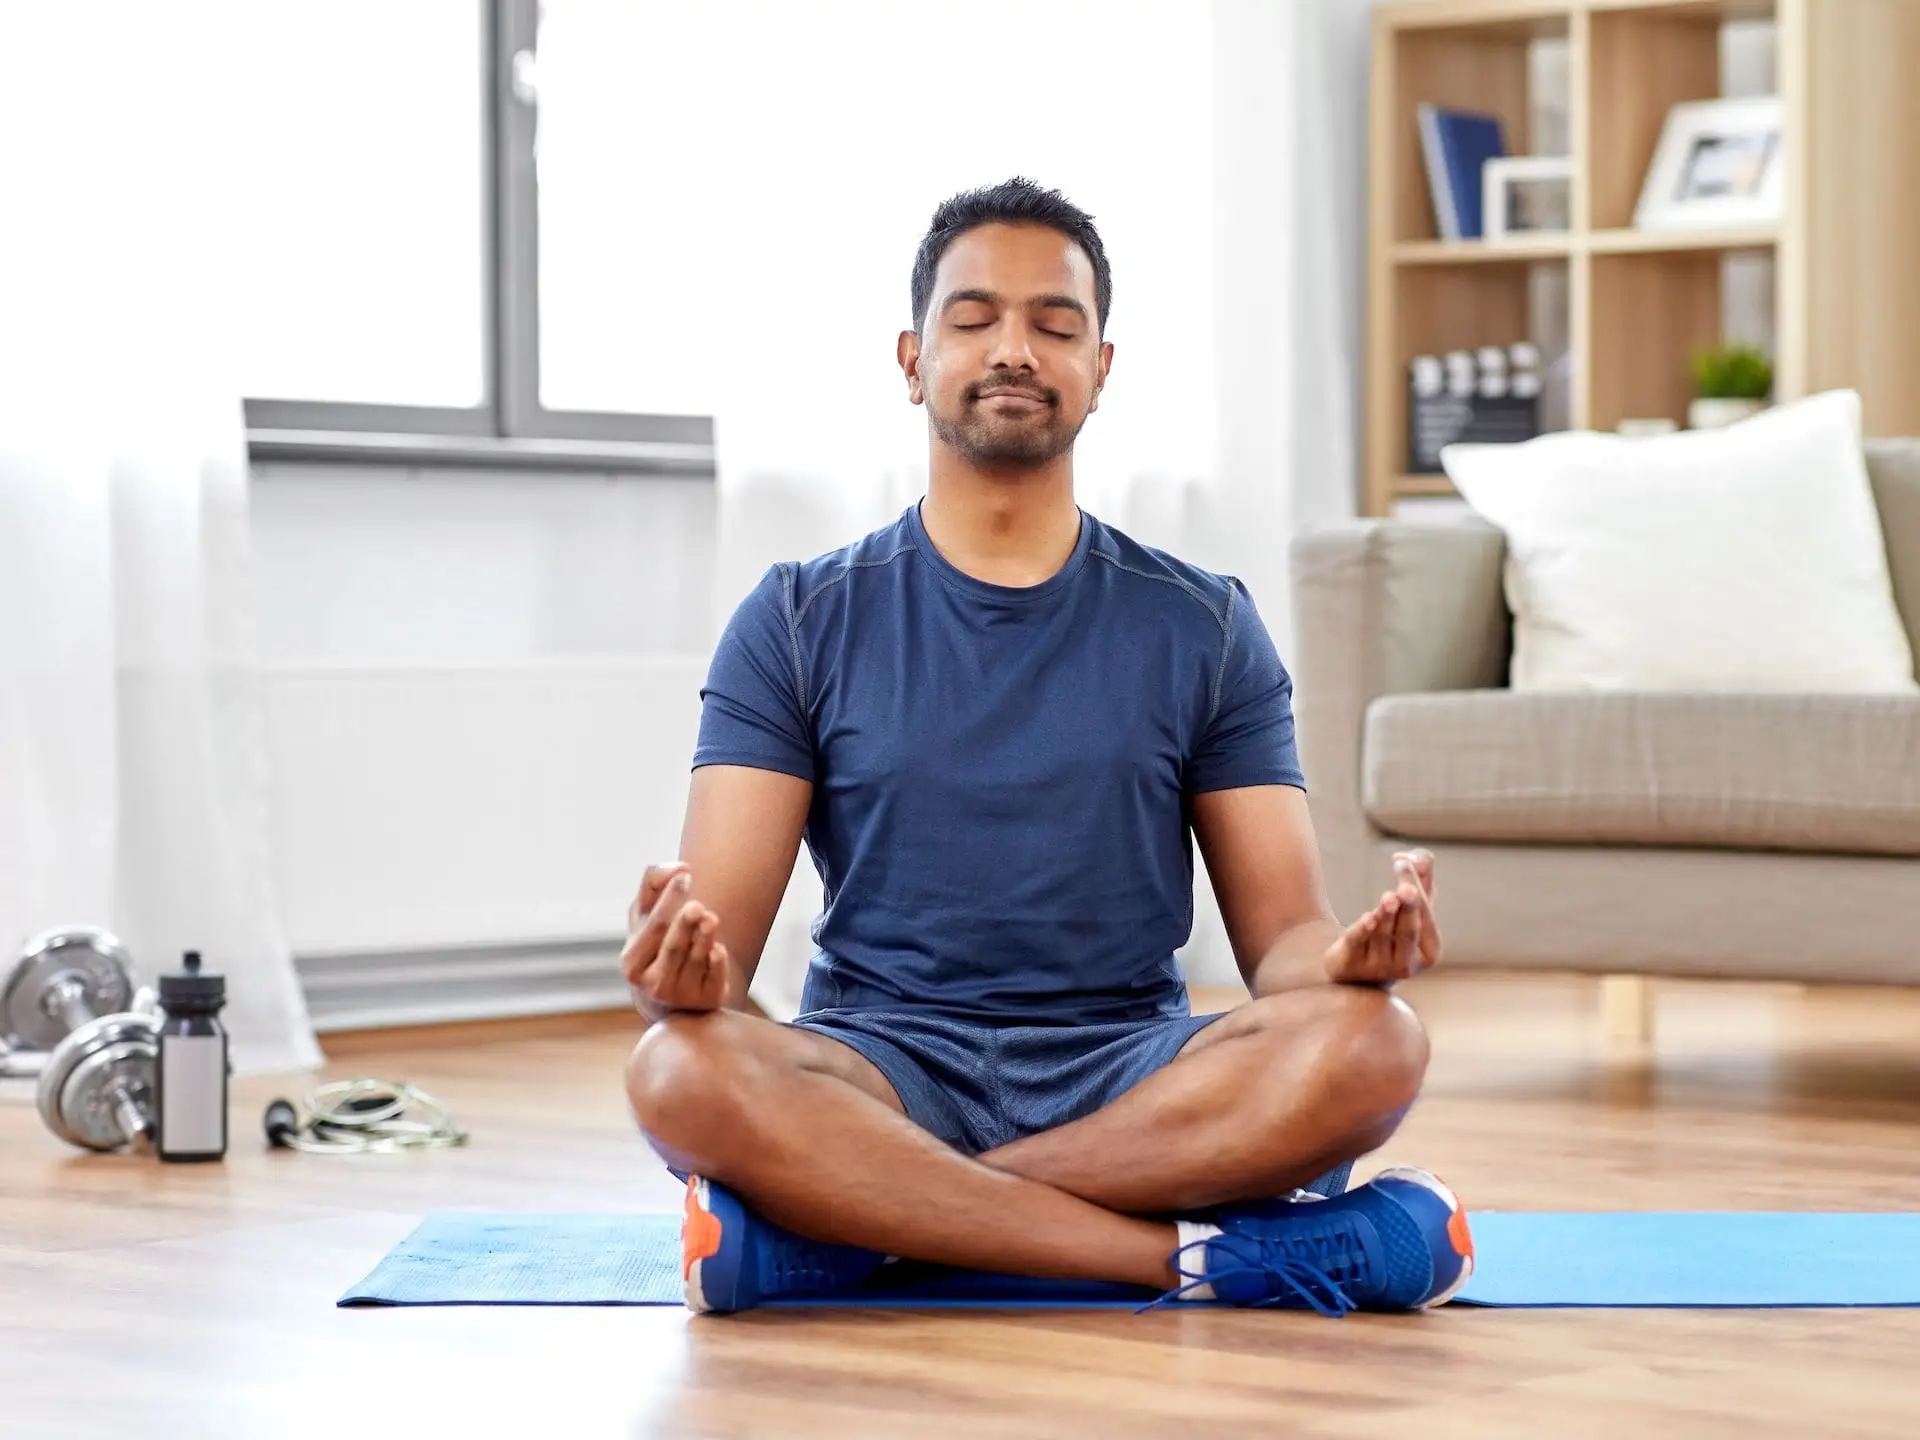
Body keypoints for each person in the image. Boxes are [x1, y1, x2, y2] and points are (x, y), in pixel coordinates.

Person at [622, 178, 1471, 1316]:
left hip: (1128, 1071)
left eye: (1054, 325)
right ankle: (1212, 1257)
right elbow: (714, 967)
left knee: (1377, 1045)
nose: (1013, 348)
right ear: (912, 360)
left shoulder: (1203, 623)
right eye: (972, 320)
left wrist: (1349, 966)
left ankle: (861, 1229)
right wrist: (678, 972)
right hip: (881, 1068)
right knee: (678, 1067)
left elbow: (1283, 944)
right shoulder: (796, 618)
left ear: (1101, 370)